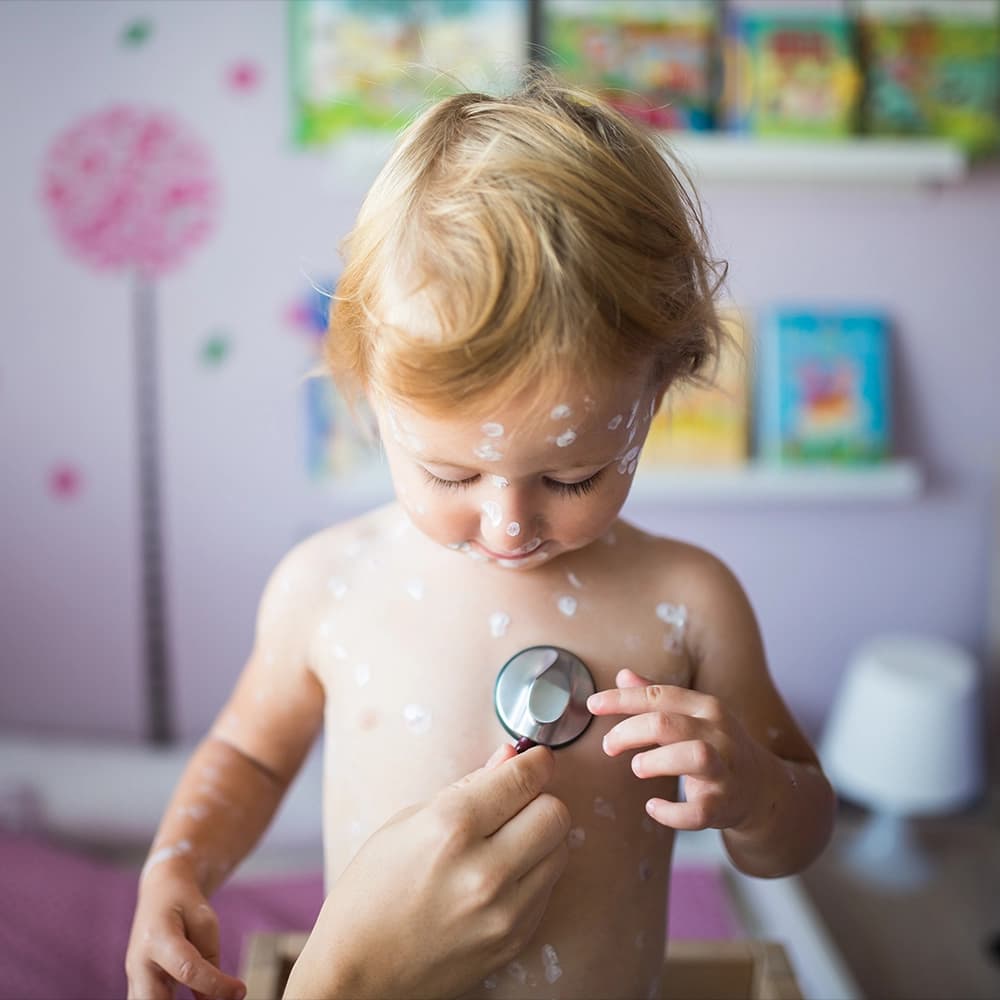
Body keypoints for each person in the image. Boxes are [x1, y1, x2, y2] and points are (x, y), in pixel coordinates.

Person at [126, 66, 835, 1000]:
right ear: (367, 395)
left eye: (571, 475)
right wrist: (178, 866)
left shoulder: (690, 601)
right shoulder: (328, 585)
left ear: (653, 400)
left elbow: (801, 825)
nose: (508, 524)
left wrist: (751, 791)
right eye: (451, 473)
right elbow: (251, 757)